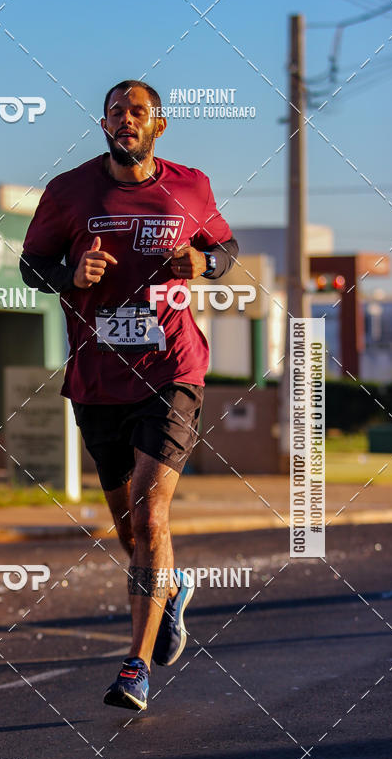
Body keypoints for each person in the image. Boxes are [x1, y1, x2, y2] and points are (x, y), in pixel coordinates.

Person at [19, 80, 238, 711]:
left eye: (137, 111)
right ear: (104, 122)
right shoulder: (68, 191)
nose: (125, 119)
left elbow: (225, 247)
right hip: (97, 378)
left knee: (149, 517)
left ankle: (135, 667)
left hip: (172, 369)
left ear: (158, 126)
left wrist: (205, 266)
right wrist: (69, 274)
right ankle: (168, 591)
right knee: (127, 526)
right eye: (115, 110)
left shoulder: (189, 185)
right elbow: (30, 267)